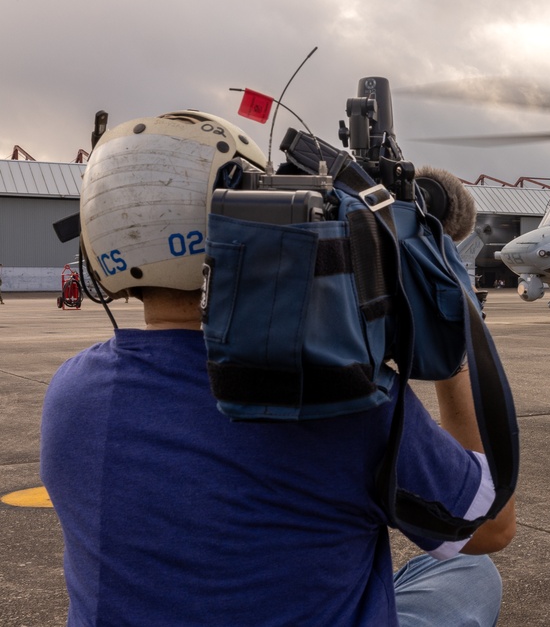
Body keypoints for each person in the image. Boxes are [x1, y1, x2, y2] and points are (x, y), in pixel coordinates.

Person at [39, 111, 515, 626]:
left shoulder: (70, 389)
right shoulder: (343, 398)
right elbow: (488, 527)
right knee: (472, 573)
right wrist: (445, 338)